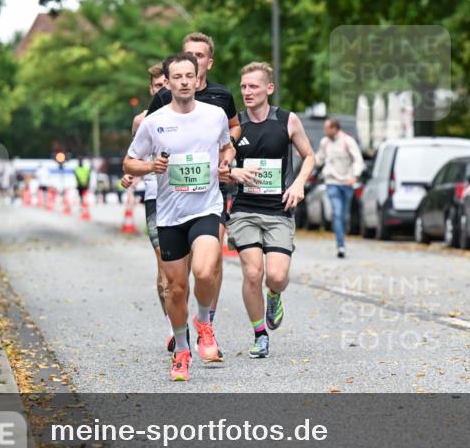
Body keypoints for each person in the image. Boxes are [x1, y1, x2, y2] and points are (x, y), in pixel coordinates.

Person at [123, 52, 235, 382]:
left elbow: (227, 146)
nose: (185, 81)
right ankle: (182, 350)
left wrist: (226, 163)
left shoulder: (215, 115)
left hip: (206, 207)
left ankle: (204, 323)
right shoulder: (153, 121)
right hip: (170, 214)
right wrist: (150, 167)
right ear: (168, 82)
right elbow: (130, 162)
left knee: (203, 271)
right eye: (178, 77)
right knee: (175, 289)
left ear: (198, 79)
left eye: (190, 76)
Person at [148, 33, 241, 332]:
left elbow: (233, 129)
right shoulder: (165, 97)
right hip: (172, 197)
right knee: (176, 274)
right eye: (188, 54)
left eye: (199, 56)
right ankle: (178, 325)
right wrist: (149, 164)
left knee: (209, 263)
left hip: (213, 187)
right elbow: (148, 134)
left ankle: (207, 322)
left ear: (208, 62)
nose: (194, 60)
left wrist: (225, 153)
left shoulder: (221, 97)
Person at [224, 62, 315, 359]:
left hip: (279, 209)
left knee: (275, 276)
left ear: (269, 89)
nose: (247, 92)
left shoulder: (287, 121)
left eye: (253, 86)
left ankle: (274, 295)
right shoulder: (235, 125)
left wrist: (299, 183)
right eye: (243, 87)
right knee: (253, 273)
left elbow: (309, 156)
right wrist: (231, 172)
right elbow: (219, 164)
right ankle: (260, 334)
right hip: (245, 209)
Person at [121, 63, 172, 348]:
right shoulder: (142, 121)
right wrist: (131, 173)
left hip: (187, 198)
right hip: (155, 197)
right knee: (165, 266)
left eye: (165, 84)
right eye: (156, 87)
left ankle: (197, 319)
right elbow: (133, 157)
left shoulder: (193, 114)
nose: (161, 90)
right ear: (150, 90)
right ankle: (173, 329)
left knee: (188, 270)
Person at [316, 118, 365, 258]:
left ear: (335, 128)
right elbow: (319, 159)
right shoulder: (324, 142)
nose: (325, 131)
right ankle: (341, 245)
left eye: (327, 128)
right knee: (337, 213)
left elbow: (358, 159)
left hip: (347, 183)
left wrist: (355, 176)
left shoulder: (347, 141)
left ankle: (341, 238)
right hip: (332, 182)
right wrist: (308, 158)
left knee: (343, 216)